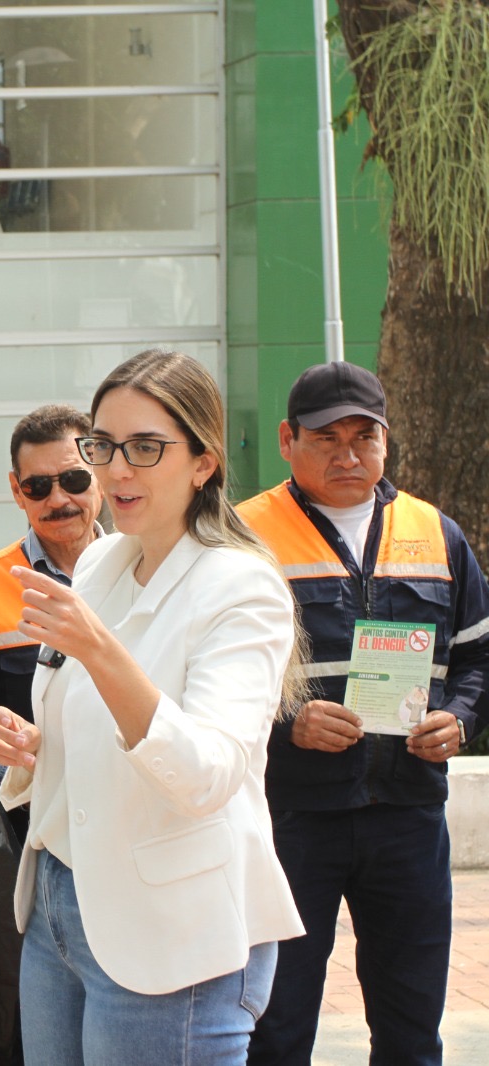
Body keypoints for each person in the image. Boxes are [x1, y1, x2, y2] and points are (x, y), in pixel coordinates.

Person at [0, 349, 304, 1064]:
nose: (116, 470)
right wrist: (34, 749)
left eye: (146, 448)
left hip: (169, 937)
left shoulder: (241, 588)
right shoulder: (102, 562)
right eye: (103, 445)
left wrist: (100, 651)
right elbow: (95, 727)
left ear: (203, 462)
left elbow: (207, 774)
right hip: (60, 907)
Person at [240, 361, 488, 1066]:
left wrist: (460, 717)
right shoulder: (243, 539)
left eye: (364, 437)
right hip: (289, 818)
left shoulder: (438, 535)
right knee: (275, 1027)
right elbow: (203, 673)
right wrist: (290, 725)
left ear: (386, 440)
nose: (348, 455)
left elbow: (478, 656)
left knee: (412, 1030)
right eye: (326, 438)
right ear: (288, 439)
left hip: (407, 816)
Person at [0, 404, 104, 738]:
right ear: (17, 491)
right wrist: (13, 766)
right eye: (38, 486)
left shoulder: (144, 567)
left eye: (74, 479)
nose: (58, 500)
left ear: (101, 476)